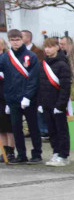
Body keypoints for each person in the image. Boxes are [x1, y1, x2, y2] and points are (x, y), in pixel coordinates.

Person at [0, 29, 42, 163]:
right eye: (12, 40)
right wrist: (7, 99)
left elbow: (34, 79)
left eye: (17, 39)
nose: (15, 42)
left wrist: (28, 96)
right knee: (16, 129)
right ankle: (21, 154)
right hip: (12, 99)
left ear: (22, 39)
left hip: (28, 99)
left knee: (33, 127)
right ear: (9, 41)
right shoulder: (5, 57)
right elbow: (4, 79)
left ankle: (37, 154)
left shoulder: (31, 56)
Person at [37, 37, 72, 166]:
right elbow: (40, 84)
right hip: (46, 104)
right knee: (51, 130)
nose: (47, 49)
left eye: (50, 47)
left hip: (58, 104)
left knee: (61, 130)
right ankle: (56, 152)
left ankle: (63, 155)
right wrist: (40, 103)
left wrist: (60, 105)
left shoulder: (62, 64)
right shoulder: (43, 64)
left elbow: (65, 87)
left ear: (57, 47)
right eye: (46, 47)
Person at [0, 38, 12, 161]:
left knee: (8, 127)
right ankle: (3, 152)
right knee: (1, 128)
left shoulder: (6, 58)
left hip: (6, 96)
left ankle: (10, 151)